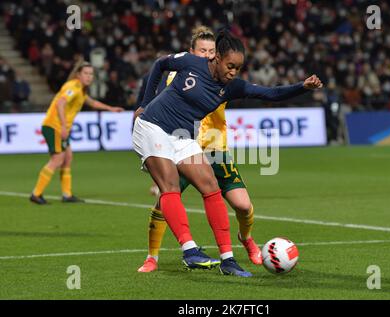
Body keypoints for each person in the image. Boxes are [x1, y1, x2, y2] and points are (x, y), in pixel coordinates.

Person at [132, 30, 322, 277]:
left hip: (182, 136)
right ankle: (189, 251)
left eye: (238, 68)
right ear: (217, 58)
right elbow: (160, 64)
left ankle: (228, 259)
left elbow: (270, 94)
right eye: (230, 66)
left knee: (211, 186)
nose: (233, 72)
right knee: (170, 185)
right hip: (152, 126)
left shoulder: (232, 88)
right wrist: (145, 103)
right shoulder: (191, 63)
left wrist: (302, 87)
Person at [135, 26, 263, 274]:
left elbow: (253, 90)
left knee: (243, 206)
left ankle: (245, 241)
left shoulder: (223, 76)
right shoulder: (181, 74)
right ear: (192, 52)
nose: (207, 55)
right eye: (202, 50)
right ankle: (153, 257)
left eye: (211, 51)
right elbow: (160, 114)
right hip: (180, 142)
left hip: (214, 147)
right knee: (164, 198)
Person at [30, 61, 124, 205]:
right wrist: (62, 126)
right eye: (86, 73)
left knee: (67, 157)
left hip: (58, 127)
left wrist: (111, 109)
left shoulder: (80, 89)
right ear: (78, 74)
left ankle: (67, 195)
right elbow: (60, 103)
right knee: (57, 159)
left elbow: (92, 103)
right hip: (54, 126)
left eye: (91, 74)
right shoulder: (72, 86)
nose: (89, 76)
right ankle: (36, 194)